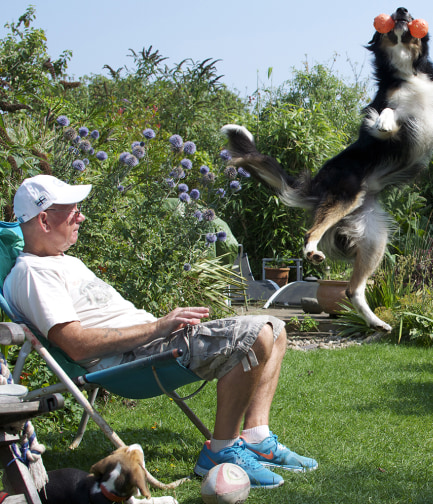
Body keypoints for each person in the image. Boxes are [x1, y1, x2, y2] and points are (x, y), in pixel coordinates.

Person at [2, 174, 317, 489]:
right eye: (72, 211)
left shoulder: (63, 262)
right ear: (44, 220)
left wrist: (162, 328)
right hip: (129, 361)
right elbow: (75, 345)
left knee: (276, 329)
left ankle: (257, 437)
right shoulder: (33, 274)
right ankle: (221, 450)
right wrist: (159, 326)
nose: (81, 216)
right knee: (258, 333)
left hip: (150, 344)